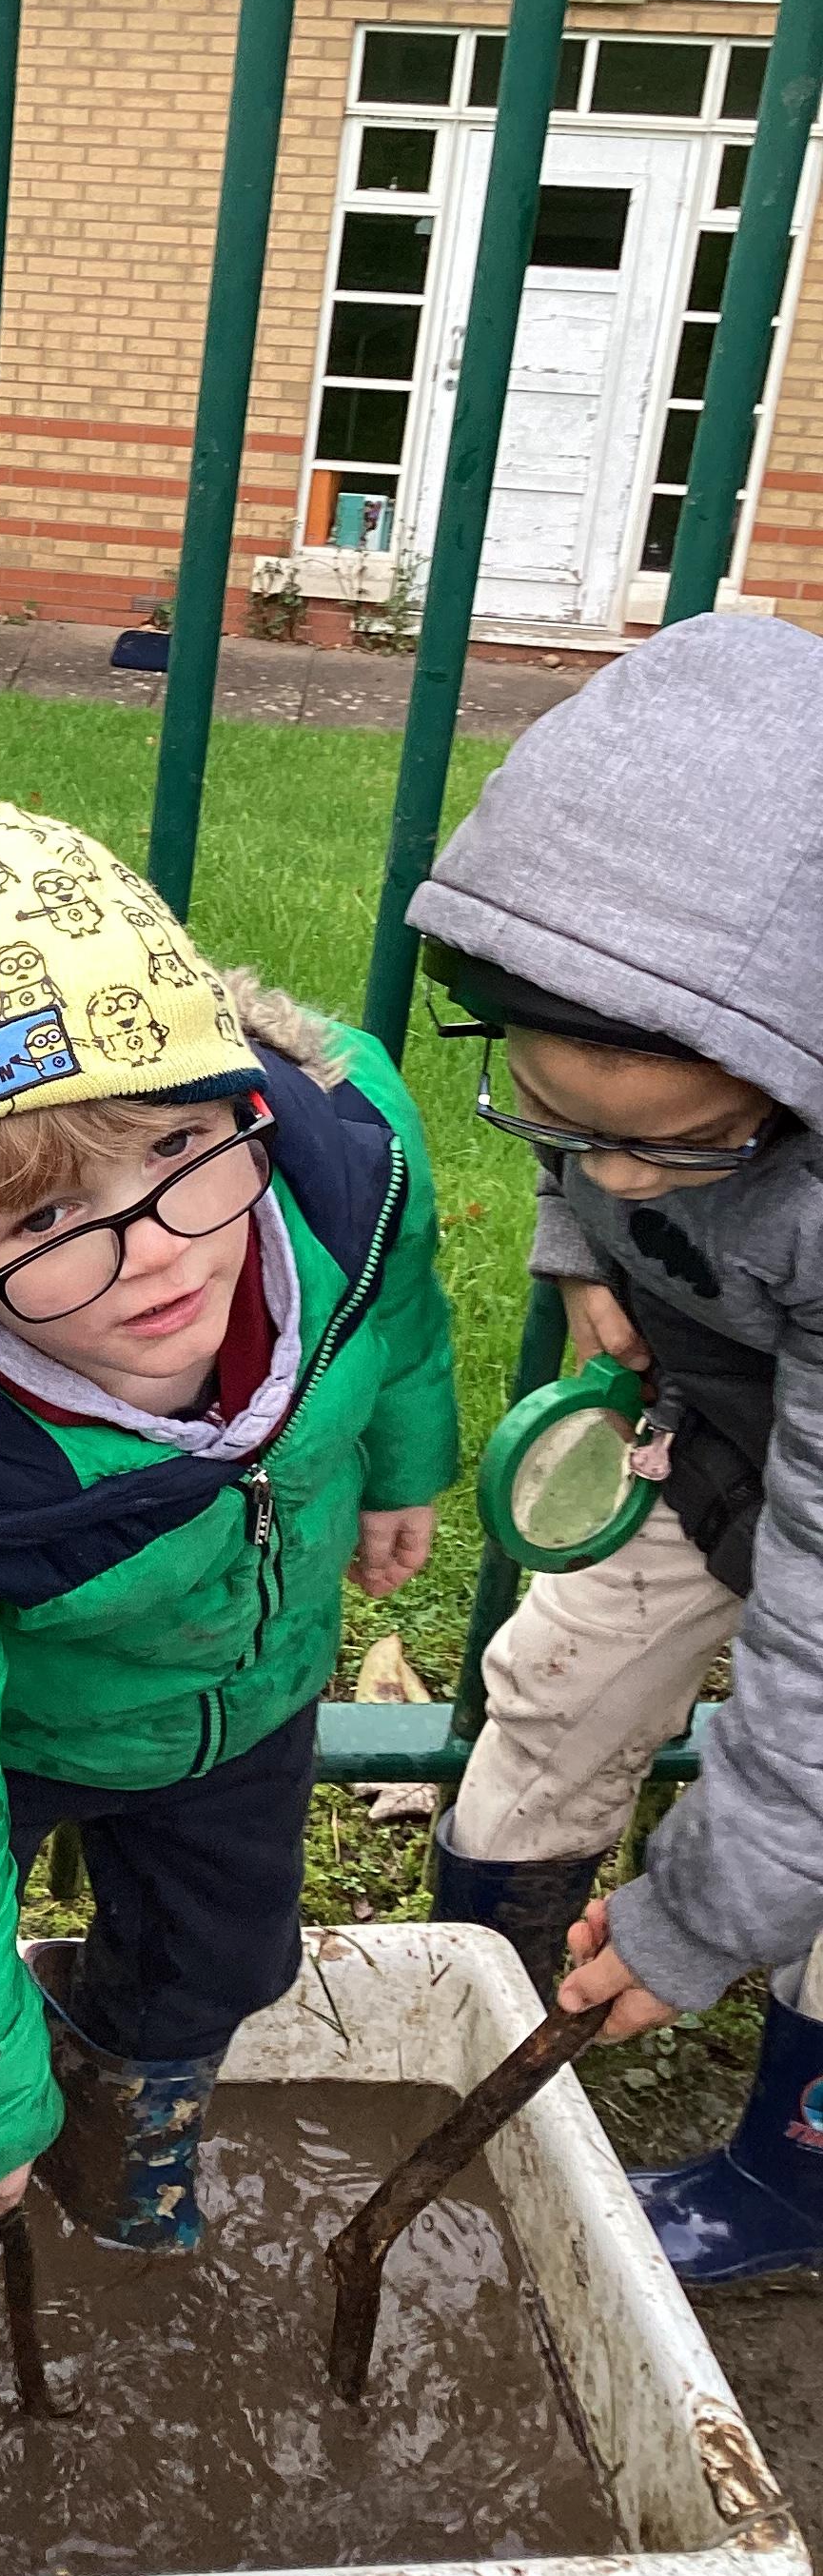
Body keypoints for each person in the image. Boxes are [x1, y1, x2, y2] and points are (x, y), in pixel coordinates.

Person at [0, 808, 456, 2362]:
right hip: (8, 1738)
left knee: (221, 1962)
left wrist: (405, 1459)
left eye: (177, 1152)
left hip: (244, 1702)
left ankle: (131, 2117)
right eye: (43, 1218)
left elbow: (397, 1308)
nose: (155, 1254)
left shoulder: (343, 1167)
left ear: (240, 1099)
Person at [407, 611, 823, 2286]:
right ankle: (481, 2045)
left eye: (683, 1148)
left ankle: (793, 2167)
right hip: (703, 1430)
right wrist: (579, 1237)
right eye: (565, 1122)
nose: (625, 1172)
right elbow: (594, 1152)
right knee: (554, 1683)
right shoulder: (615, 1067)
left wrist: (703, 1912)